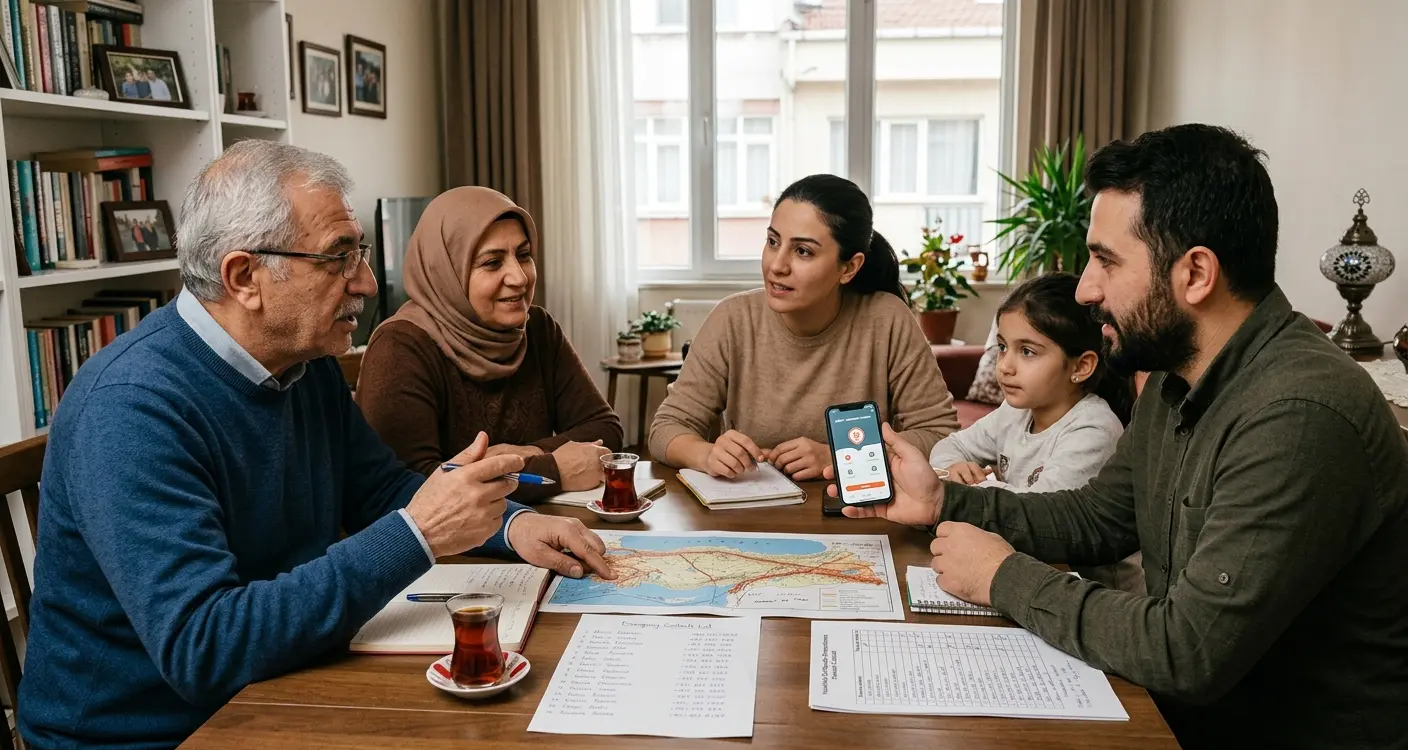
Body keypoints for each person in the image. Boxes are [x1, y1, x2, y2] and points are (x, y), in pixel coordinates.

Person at [17, 140, 616, 750]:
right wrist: (419, 532)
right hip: (150, 743)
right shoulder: (132, 408)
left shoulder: (304, 364)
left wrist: (512, 525)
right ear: (244, 278)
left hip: (276, 682)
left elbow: (379, 490)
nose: (366, 282)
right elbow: (206, 648)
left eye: (360, 252)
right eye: (338, 257)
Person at [826, 124, 1408, 750]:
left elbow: (1187, 651)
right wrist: (943, 501)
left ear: (1196, 273)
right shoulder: (1176, 377)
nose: (1085, 289)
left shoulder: (1298, 414)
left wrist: (1002, 576)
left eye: (1106, 260)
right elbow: (1100, 516)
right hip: (1186, 720)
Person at [650, 173, 960, 481]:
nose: (776, 265)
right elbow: (667, 428)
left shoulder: (887, 319)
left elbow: (940, 434)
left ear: (849, 268)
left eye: (803, 251)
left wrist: (841, 456)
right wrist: (706, 454)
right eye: (773, 242)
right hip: (751, 504)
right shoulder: (732, 318)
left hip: (858, 506)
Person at [358, 186, 622, 503]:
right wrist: (552, 469)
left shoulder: (538, 328)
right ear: (447, 272)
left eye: (523, 255)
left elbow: (605, 428)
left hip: (538, 524)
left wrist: (525, 453)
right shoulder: (400, 347)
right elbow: (413, 488)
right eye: (493, 262)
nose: (519, 277)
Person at [928, 272, 1140, 591]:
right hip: (1033, 566)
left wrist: (973, 489)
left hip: (1089, 591)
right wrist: (955, 468)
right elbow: (947, 447)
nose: (1005, 366)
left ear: (1081, 366)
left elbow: (1041, 515)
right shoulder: (1015, 411)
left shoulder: (1093, 428)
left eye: (1027, 351)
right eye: (1003, 347)